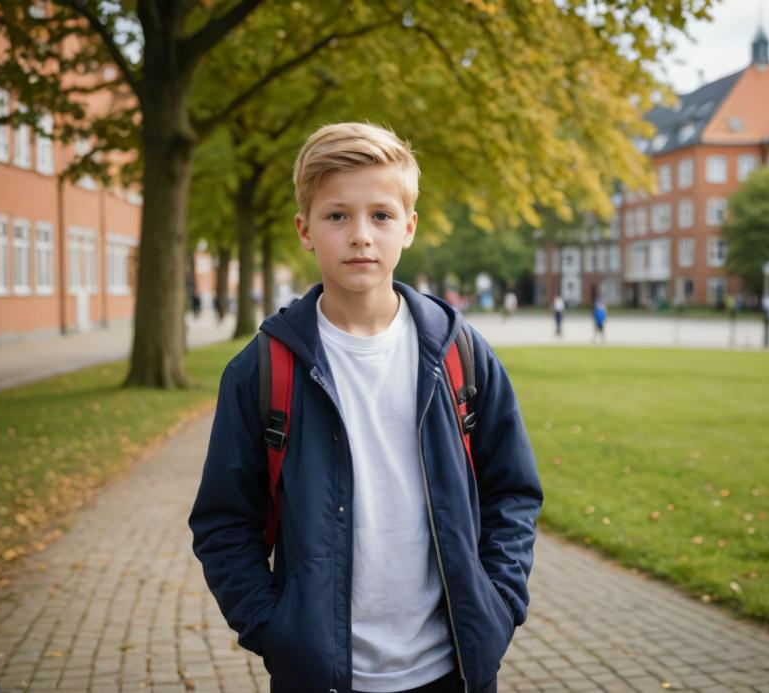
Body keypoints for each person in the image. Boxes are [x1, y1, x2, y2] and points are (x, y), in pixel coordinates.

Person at [189, 123, 543, 693]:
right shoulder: (260, 372)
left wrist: (498, 604)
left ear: (409, 226)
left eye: (380, 215)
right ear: (305, 229)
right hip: (320, 675)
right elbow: (224, 523)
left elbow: (513, 492)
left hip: (453, 669)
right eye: (337, 216)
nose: (360, 236)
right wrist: (275, 631)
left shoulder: (462, 355)